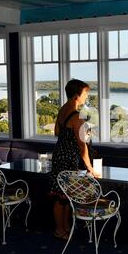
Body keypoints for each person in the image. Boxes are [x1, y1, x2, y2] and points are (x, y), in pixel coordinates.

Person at [48, 79, 100, 240]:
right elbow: (82, 146)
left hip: (59, 155)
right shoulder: (77, 116)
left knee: (62, 196)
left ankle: (64, 228)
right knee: (62, 195)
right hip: (69, 159)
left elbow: (57, 131)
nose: (86, 96)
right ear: (77, 95)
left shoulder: (63, 109)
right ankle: (60, 230)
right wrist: (90, 167)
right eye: (85, 93)